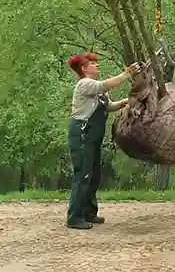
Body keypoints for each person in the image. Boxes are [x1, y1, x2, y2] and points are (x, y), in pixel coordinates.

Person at [66, 51, 141, 230]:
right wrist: (128, 73)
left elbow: (109, 106)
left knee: (94, 175)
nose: (96, 65)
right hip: (83, 134)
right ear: (84, 68)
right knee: (83, 175)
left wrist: (126, 102)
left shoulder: (97, 90)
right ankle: (74, 217)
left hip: (92, 136)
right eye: (92, 63)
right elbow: (107, 84)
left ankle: (89, 213)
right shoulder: (85, 84)